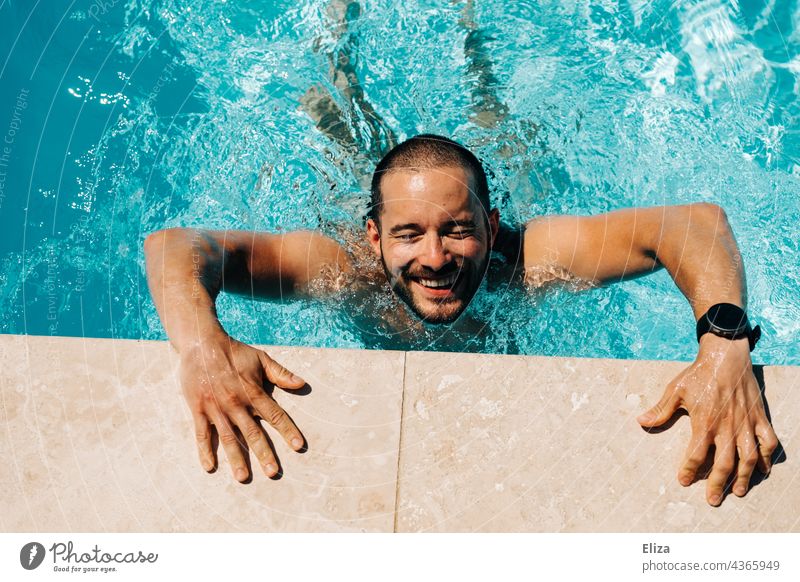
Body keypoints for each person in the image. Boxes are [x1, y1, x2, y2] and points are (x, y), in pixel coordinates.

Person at [145, 133, 778, 508]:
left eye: (457, 230)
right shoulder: (342, 272)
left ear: (491, 227)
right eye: (407, 235)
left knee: (494, 121)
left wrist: (725, 348)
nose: (435, 258)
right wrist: (202, 345)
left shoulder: (525, 262)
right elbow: (174, 246)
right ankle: (336, 50)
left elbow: (696, 224)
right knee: (342, 126)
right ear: (373, 238)